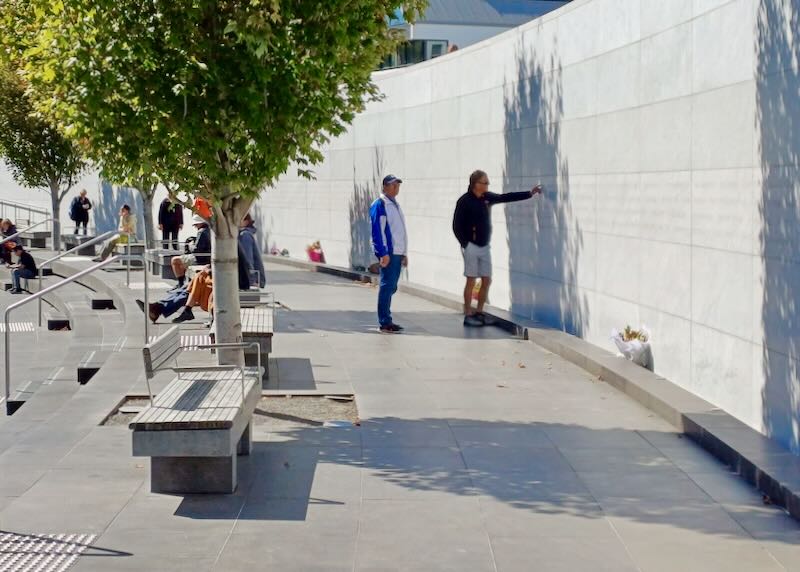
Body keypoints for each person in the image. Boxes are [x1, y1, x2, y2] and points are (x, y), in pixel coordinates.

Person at [452, 170, 542, 327]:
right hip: (471, 247)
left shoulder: (486, 198)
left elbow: (504, 197)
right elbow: (456, 226)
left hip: (484, 246)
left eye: (487, 183)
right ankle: (468, 313)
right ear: (476, 184)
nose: (487, 185)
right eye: (485, 182)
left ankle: (479, 312)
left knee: (487, 280)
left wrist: (529, 193)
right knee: (471, 280)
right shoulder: (464, 201)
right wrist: (465, 244)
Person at [369, 174, 408, 333]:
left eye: (397, 185)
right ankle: (385, 322)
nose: (396, 187)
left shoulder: (395, 204)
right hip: (389, 252)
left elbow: (400, 231)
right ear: (385, 186)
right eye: (393, 185)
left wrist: (404, 253)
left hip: (397, 252)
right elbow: (377, 230)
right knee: (387, 286)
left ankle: (386, 318)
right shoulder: (380, 204)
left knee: (391, 286)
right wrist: (382, 253)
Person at [170, 214, 211, 289]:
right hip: (208, 257)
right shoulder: (211, 230)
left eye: (196, 224)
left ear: (200, 223)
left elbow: (196, 250)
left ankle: (180, 283)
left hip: (200, 258)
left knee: (175, 260)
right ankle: (186, 283)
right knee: (183, 261)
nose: (195, 226)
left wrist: (190, 245)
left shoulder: (201, 232)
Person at [238, 213, 266, 288]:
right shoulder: (242, 234)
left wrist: (251, 281)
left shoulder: (244, 235)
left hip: (253, 279)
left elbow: (248, 260)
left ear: (246, 222)